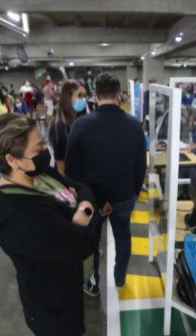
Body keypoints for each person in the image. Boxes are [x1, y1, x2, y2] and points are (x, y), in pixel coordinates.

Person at [0, 114, 100, 336]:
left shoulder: (38, 173)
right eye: (39, 147)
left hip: (68, 279)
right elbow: (84, 242)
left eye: (43, 143)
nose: (46, 151)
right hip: (51, 297)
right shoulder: (18, 215)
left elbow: (80, 187)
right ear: (13, 160)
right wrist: (84, 216)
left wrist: (83, 210)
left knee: (72, 330)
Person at [65, 74, 147, 295]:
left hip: (91, 199)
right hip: (124, 197)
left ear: (95, 95)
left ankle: (93, 283)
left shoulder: (81, 125)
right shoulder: (134, 125)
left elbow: (72, 171)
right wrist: (135, 192)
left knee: (91, 242)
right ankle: (120, 278)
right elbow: (140, 166)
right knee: (123, 237)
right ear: (119, 94)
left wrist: (98, 199)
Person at [48, 80, 86, 175]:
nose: (83, 99)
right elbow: (60, 165)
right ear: (68, 98)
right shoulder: (59, 126)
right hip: (69, 178)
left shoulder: (79, 118)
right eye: (79, 95)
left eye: (84, 96)